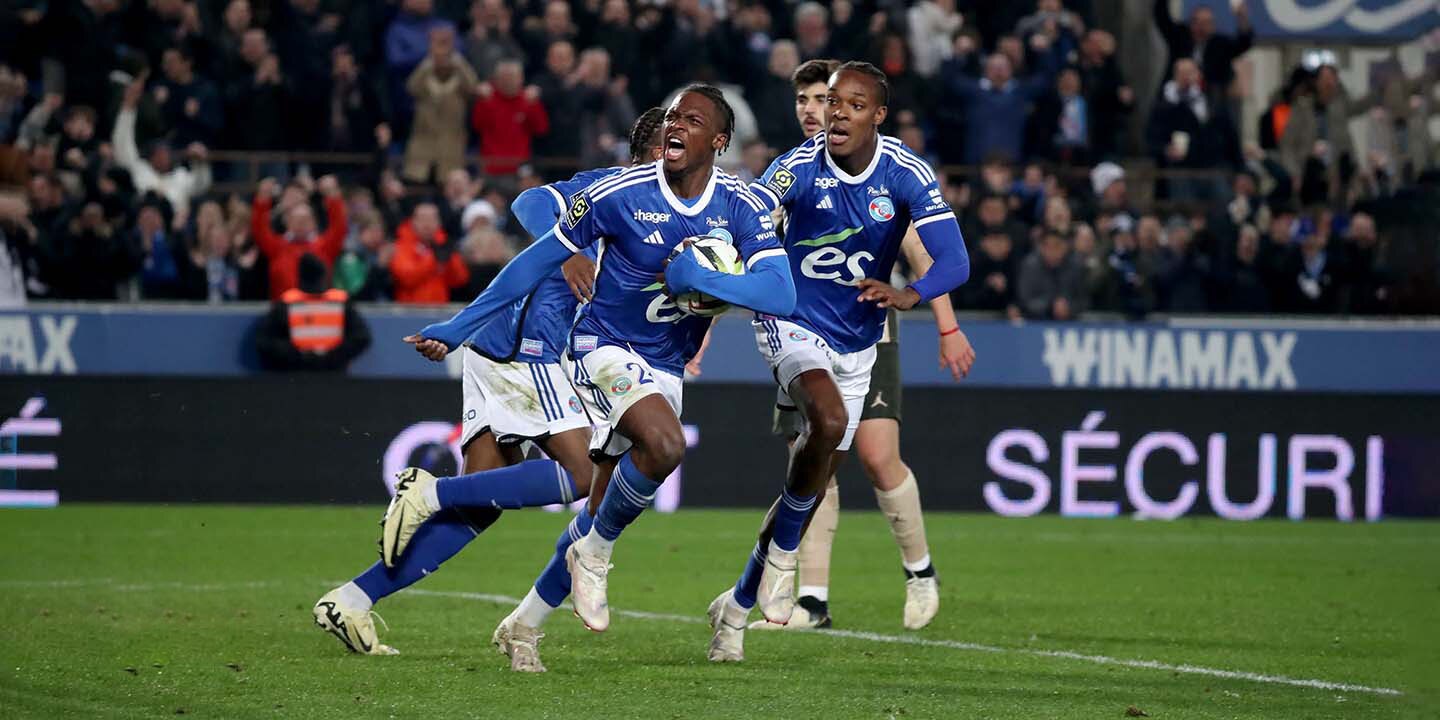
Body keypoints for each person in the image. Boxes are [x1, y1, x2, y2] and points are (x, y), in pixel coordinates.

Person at [381, 87, 794, 657]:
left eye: (691, 120)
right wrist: (458, 325)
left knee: (600, 508)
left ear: (719, 141)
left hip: (665, 362)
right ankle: (589, 551)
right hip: (601, 348)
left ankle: (524, 624)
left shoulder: (742, 205)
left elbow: (780, 290)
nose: (675, 125)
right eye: (671, 115)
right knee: (664, 445)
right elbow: (531, 259)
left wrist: (704, 282)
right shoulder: (617, 192)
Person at [313, 108, 667, 667]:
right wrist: (571, 246)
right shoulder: (604, 190)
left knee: (480, 503)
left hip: (499, 350)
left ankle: (351, 599)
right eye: (670, 147)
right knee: (579, 475)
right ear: (648, 153)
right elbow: (528, 203)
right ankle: (427, 493)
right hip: (527, 351)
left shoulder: (670, 215)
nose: (680, 159)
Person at [713, 62, 971, 661]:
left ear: (877, 114)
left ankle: (749, 591)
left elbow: (951, 259)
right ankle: (796, 578)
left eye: (852, 105)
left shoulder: (904, 174)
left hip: (862, 339)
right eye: (830, 104)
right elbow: (748, 217)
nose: (834, 114)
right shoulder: (796, 168)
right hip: (792, 325)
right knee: (824, 434)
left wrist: (918, 299)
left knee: (824, 468)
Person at [255, 253, 371, 371]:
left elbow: (265, 341)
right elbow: (361, 337)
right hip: (331, 374)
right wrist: (333, 356)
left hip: (296, 375)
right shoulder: (340, 301)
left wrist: (298, 356)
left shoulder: (286, 303)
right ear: (324, 276)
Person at [251, 174, 347, 300]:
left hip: (318, 309)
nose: (301, 224)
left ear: (314, 223)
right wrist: (262, 198)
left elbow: (339, 227)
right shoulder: (277, 247)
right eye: (297, 220)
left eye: (305, 219)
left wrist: (333, 195)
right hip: (284, 311)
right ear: (288, 222)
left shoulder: (325, 246)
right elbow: (259, 230)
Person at [388, 202, 469, 303]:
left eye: (432, 219)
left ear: (439, 222)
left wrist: (451, 261)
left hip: (439, 309)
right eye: (422, 219)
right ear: (412, 221)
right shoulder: (402, 246)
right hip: (409, 310)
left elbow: (460, 279)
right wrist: (433, 259)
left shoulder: (444, 245)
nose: (427, 224)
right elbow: (406, 277)